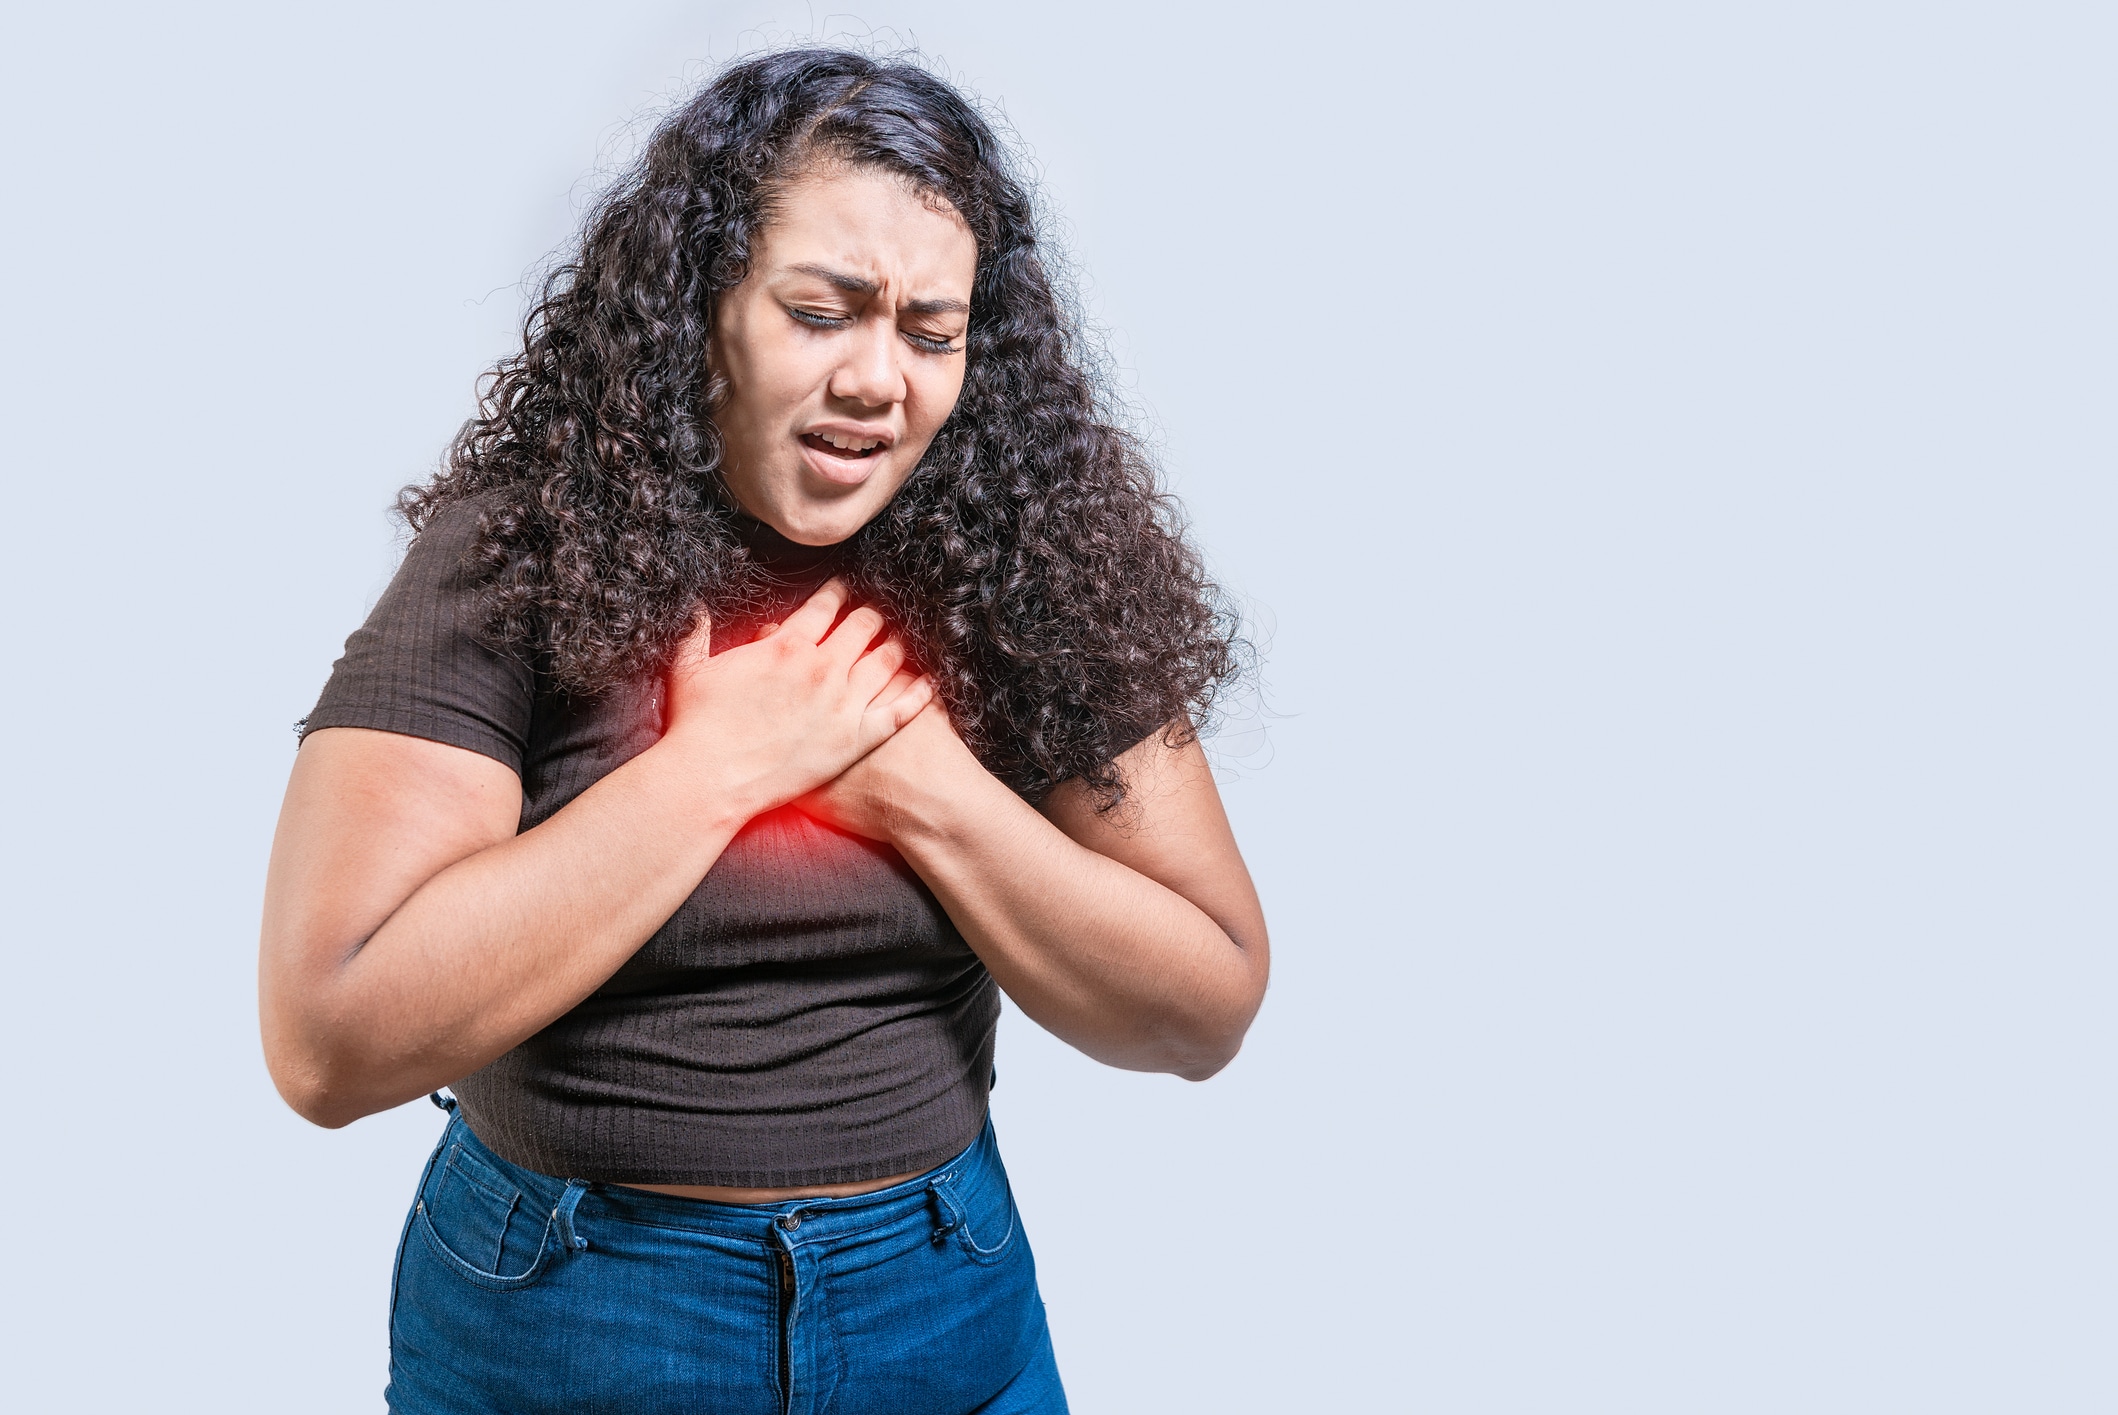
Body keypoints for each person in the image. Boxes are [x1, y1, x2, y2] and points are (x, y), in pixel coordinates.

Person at [259, 47, 1267, 1415]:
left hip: (939, 1296)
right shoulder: (519, 554)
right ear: (704, 309)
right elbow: (328, 1044)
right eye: (820, 313)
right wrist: (717, 772)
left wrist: (921, 791)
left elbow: (1204, 1004)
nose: (878, 379)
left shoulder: (1025, 562)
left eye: (930, 333)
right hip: (577, 1313)